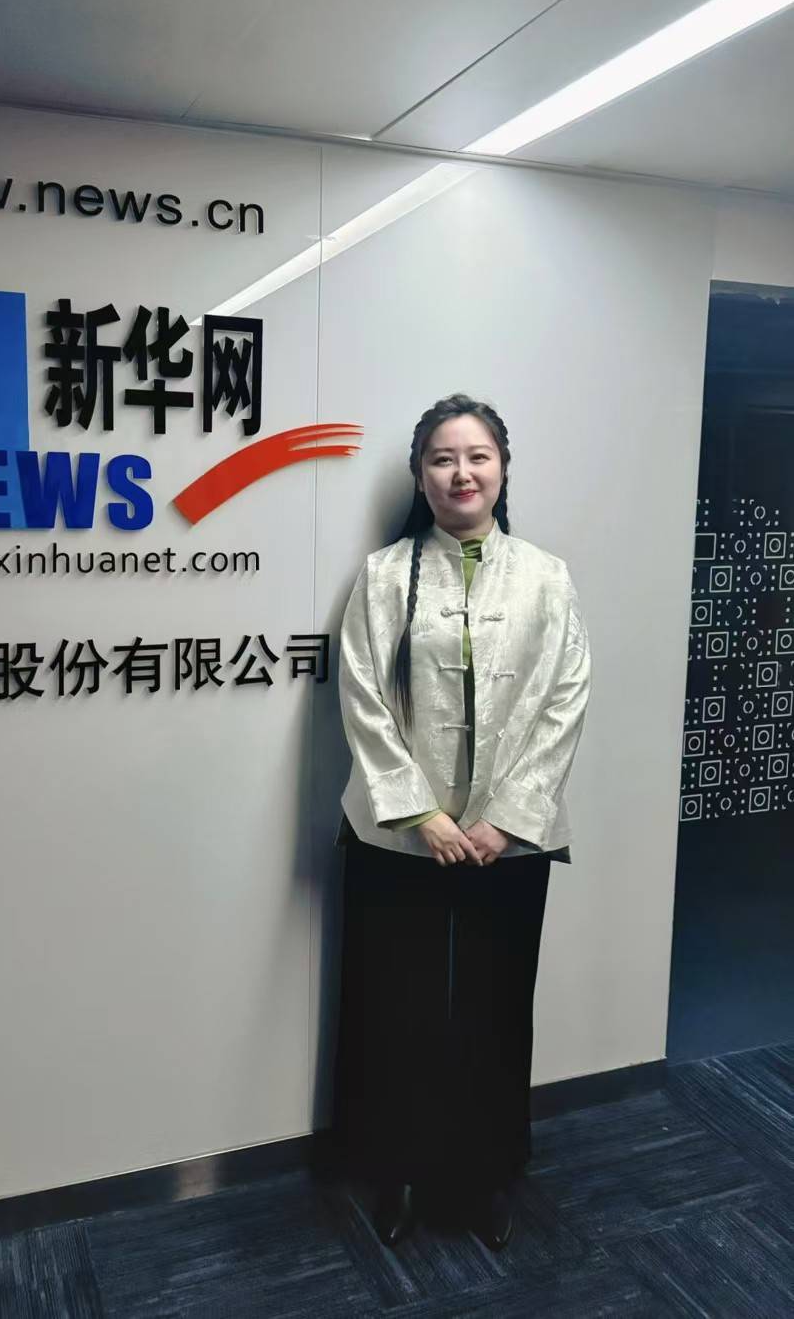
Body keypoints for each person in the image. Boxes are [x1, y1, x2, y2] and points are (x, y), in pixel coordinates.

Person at [331, 392, 591, 1251]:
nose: (461, 473)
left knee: (495, 1006)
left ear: (503, 468)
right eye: (442, 458)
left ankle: (487, 1175)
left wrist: (506, 821)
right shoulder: (383, 576)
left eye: (477, 456)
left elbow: (564, 700)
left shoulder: (546, 577)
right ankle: (399, 1172)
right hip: (402, 838)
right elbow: (363, 698)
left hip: (507, 842)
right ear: (420, 476)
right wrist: (423, 816)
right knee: (398, 1006)